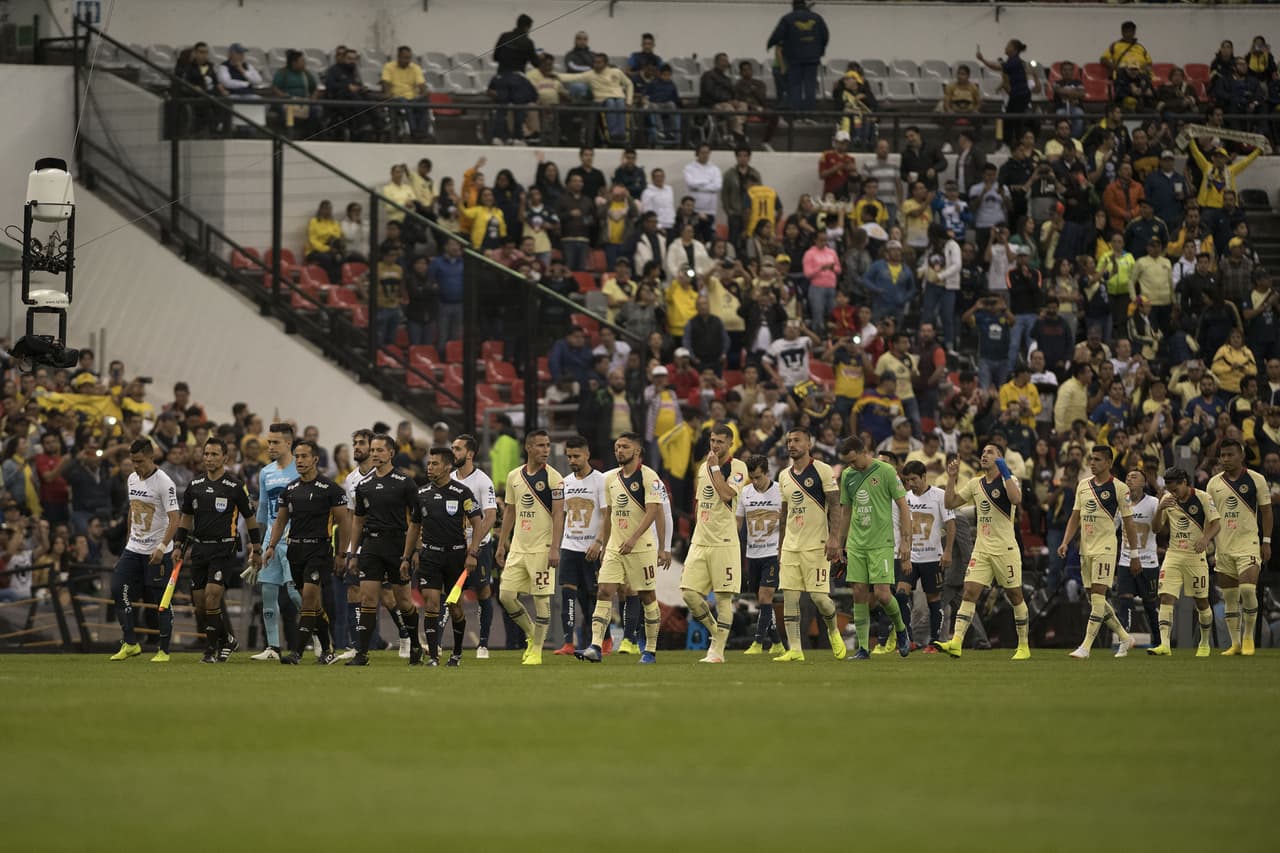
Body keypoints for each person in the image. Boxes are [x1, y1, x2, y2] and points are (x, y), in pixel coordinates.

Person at [576, 433, 669, 663]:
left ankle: (650, 649)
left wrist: (636, 539)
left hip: (642, 547)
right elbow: (609, 516)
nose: (619, 450)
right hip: (616, 548)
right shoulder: (610, 480)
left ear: (637, 451)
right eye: (617, 446)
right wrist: (605, 545)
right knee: (604, 592)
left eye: (625, 447)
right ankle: (595, 646)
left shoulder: (650, 477)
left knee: (647, 596)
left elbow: (654, 511)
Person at [935, 445, 1031, 659]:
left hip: (1005, 549)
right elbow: (950, 503)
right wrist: (951, 477)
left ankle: (1023, 645)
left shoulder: (1010, 480)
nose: (984, 455)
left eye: (991, 452)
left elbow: (1016, 500)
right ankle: (957, 642)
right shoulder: (974, 483)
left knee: (1014, 595)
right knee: (969, 591)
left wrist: (1005, 470)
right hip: (982, 548)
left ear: (1000, 458)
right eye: (983, 452)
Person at [262, 440, 348, 665]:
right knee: (314, 605)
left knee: (309, 599)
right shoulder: (290, 490)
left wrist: (341, 554)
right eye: (297, 456)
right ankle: (328, 650)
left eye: (304, 456)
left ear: (315, 459)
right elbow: (280, 521)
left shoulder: (331, 489)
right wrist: (271, 546)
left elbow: (344, 523)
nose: (299, 460)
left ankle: (297, 652)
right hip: (295, 550)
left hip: (318, 550)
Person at [178, 438, 260, 663]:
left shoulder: (234, 486)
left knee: (212, 597)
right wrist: (178, 545)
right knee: (201, 604)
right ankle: (227, 640)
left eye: (214, 454)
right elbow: (186, 518)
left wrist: (257, 547)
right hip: (199, 548)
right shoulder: (194, 485)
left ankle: (210, 651)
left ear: (225, 458)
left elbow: (250, 519)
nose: (209, 458)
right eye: (206, 454)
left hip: (224, 547)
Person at [344, 434, 422, 666]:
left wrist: (414, 551)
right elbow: (358, 521)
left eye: (380, 450)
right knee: (367, 598)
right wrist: (353, 552)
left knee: (404, 601)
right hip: (371, 546)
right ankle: (362, 654)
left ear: (391, 453)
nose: (375, 454)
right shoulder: (363, 485)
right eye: (373, 450)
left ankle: (415, 646)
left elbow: (417, 520)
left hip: (398, 545)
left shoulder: (405, 482)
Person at [1056, 446, 1139, 659]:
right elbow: (1075, 517)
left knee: (1099, 595)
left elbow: (1129, 524)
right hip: (1086, 549)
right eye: (1091, 459)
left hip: (1106, 548)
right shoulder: (1083, 485)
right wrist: (1065, 542)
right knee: (1095, 600)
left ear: (1109, 463)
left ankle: (1085, 646)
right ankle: (1125, 636)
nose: (1092, 463)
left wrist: (1134, 553)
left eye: (1098, 460)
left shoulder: (1120, 489)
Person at [412, 447, 492, 666]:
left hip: (456, 556)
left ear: (447, 466)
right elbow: (414, 525)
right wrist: (408, 554)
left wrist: (473, 552)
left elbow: (477, 522)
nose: (429, 467)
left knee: (454, 606)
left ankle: (456, 652)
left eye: (434, 463)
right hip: (430, 556)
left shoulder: (462, 492)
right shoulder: (421, 494)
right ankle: (434, 657)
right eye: (428, 464)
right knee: (430, 604)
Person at [835, 435, 912, 659]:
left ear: (864, 451)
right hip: (857, 544)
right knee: (858, 594)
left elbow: (903, 507)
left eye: (853, 460)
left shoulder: (886, 471)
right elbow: (846, 511)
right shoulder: (848, 475)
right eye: (847, 462)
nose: (851, 466)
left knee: (882, 595)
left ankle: (900, 630)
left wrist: (906, 541)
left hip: (881, 543)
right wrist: (841, 544)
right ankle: (863, 648)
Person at [772, 429, 845, 661]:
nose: (791, 444)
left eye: (796, 440)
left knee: (819, 598)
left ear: (809, 443)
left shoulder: (823, 470)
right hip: (791, 546)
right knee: (790, 599)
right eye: (789, 441)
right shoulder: (783, 475)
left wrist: (835, 538)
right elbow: (785, 513)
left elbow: (835, 505)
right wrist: (780, 544)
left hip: (817, 545)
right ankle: (795, 649)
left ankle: (833, 630)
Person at [680, 424, 750, 664]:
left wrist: (715, 468)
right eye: (712, 440)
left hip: (724, 542)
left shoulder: (737, 466)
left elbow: (727, 494)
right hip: (701, 541)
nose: (715, 445)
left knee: (722, 599)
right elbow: (699, 502)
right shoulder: (703, 467)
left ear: (731, 443)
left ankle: (717, 652)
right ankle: (716, 634)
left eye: (720, 441)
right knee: (689, 594)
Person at [106, 440, 182, 662]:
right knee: (117, 588)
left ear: (151, 458)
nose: (135, 466)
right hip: (134, 548)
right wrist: (129, 540)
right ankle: (130, 643)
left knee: (161, 601)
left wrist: (161, 546)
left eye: (139, 461)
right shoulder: (131, 479)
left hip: (158, 550)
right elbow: (132, 510)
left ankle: (164, 650)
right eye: (133, 461)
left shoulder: (164, 483)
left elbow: (174, 518)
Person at [494, 430, 565, 666]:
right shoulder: (514, 476)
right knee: (505, 596)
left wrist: (555, 547)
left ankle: (536, 650)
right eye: (541, 445)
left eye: (548, 445)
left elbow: (558, 515)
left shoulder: (555, 478)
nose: (546, 450)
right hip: (518, 548)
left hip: (542, 549)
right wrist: (503, 544)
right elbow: (510, 512)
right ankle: (532, 632)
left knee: (541, 600)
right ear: (528, 448)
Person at [1206, 438, 1270, 656]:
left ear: (1241, 455)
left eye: (1230, 455)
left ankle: (1248, 637)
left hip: (1248, 543)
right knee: (1230, 597)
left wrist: (1266, 541)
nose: (1225, 459)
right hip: (1223, 546)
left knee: (1247, 590)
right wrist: (1208, 544)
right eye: (1222, 455)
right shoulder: (1213, 484)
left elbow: (1267, 511)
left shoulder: (1256, 479)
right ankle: (1235, 644)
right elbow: (1210, 518)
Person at [1149, 467, 1219, 657]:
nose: (1173, 494)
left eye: (1175, 489)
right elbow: (1156, 529)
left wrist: (1205, 539)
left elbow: (1216, 524)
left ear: (1184, 483)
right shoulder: (1167, 500)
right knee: (1165, 596)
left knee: (1201, 601)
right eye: (1169, 490)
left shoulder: (1203, 497)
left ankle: (1204, 643)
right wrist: (1160, 509)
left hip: (1195, 556)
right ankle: (1164, 645)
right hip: (1174, 554)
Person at [247, 423, 300, 661]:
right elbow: (263, 513)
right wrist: (256, 547)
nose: (270, 446)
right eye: (269, 442)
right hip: (270, 541)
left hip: (295, 540)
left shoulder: (300, 470)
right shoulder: (265, 472)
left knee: (298, 595)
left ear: (289, 443)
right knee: (268, 594)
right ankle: (273, 648)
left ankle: (322, 641)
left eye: (275, 442)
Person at [555, 436, 608, 655]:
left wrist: (599, 542)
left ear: (587, 454)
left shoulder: (601, 481)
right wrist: (556, 546)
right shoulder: (565, 482)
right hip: (569, 546)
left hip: (591, 547)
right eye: (569, 456)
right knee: (568, 594)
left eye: (576, 456)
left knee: (590, 598)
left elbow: (607, 515)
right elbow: (560, 516)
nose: (572, 460)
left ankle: (603, 640)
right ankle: (568, 643)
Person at [449, 434, 499, 658]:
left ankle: (483, 644)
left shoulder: (482, 481)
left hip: (480, 546)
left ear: (470, 453)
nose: (454, 453)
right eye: (453, 448)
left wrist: (475, 545)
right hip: (454, 546)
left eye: (458, 449)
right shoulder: (448, 479)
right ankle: (445, 643)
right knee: (450, 593)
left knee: (482, 590)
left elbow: (490, 516)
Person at [902, 460, 953, 651]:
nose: (911, 484)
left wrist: (947, 550)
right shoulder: (904, 498)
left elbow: (951, 524)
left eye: (914, 479)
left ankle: (934, 642)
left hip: (933, 557)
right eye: (907, 480)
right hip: (910, 557)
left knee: (933, 600)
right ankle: (907, 639)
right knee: (900, 595)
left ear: (924, 476)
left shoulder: (940, 496)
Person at [738, 454, 784, 655]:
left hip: (772, 552)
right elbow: (738, 522)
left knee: (766, 597)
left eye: (758, 477)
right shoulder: (745, 492)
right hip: (752, 553)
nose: (755, 481)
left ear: (767, 472)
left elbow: (787, 521)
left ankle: (757, 643)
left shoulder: (780, 492)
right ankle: (777, 643)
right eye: (752, 477)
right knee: (762, 601)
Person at [1116, 468, 1161, 648]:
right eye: (1127, 477)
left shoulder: (1153, 502)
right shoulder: (1121, 503)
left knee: (1150, 605)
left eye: (1134, 477)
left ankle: (1159, 642)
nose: (1129, 480)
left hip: (1148, 562)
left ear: (1143, 483)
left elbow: (1160, 528)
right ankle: (1124, 640)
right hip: (1125, 559)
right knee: (1124, 600)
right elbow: (1113, 528)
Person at [767, 0, 829, 114]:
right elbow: (825, 35)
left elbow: (778, 34)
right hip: (812, 58)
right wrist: (821, 50)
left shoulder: (788, 18)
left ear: (793, 6)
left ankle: (796, 114)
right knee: (810, 85)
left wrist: (769, 44)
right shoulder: (817, 18)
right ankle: (810, 113)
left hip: (794, 58)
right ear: (805, 5)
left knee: (795, 86)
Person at [381, 46, 431, 141]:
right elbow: (386, 83)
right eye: (405, 57)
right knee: (403, 102)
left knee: (425, 101)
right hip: (396, 98)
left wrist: (424, 92)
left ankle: (422, 132)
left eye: (409, 57)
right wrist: (388, 94)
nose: (407, 60)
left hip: (413, 99)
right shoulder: (389, 67)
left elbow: (421, 84)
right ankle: (414, 131)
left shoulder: (415, 68)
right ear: (398, 57)